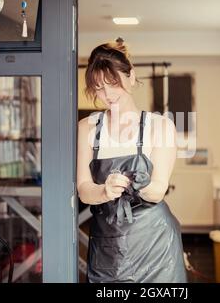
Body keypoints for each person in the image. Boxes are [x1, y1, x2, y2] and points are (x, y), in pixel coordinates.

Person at [77, 38, 187, 283]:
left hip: (156, 246)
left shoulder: (160, 127)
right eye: (98, 88)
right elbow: (84, 190)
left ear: (130, 76)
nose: (107, 95)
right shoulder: (87, 128)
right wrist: (105, 190)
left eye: (112, 83)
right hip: (108, 248)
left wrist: (133, 183)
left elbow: (158, 190)